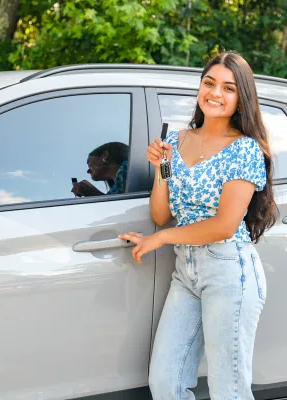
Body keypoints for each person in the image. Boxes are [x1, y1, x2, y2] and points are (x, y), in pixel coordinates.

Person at [118, 51, 278, 399]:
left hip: (229, 271)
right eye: (209, 83)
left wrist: (160, 239)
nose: (215, 94)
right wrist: (163, 166)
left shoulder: (245, 150)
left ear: (241, 99)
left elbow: (223, 225)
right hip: (186, 272)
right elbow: (162, 214)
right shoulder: (177, 140)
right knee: (165, 383)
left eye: (228, 88)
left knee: (228, 390)